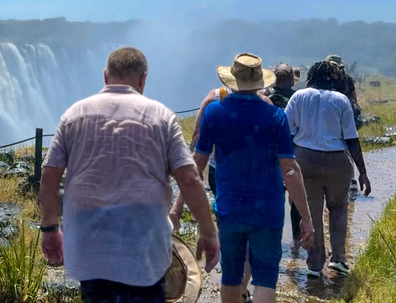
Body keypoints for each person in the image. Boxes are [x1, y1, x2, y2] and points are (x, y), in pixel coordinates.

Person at [39, 47, 220, 303]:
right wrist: (208, 232)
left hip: (90, 251)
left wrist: (49, 228)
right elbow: (189, 178)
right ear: (143, 79)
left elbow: (49, 174)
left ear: (105, 76)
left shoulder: (73, 115)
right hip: (144, 252)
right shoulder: (161, 117)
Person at [190, 53, 314, 303]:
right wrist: (307, 219)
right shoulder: (275, 116)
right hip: (267, 211)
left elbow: (197, 163)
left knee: (231, 277)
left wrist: (178, 206)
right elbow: (290, 169)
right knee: (266, 278)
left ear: (233, 80)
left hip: (230, 209)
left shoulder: (214, 112)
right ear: (260, 82)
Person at [170, 80, 273, 303]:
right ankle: (243, 289)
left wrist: (178, 205)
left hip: (222, 175)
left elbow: (197, 138)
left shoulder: (213, 99)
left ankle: (234, 282)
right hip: (257, 180)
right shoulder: (265, 103)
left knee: (231, 227)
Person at [285, 61, 372, 278]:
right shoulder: (341, 100)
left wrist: (284, 166)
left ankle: (314, 264)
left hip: (305, 160)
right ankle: (339, 260)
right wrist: (362, 172)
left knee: (312, 212)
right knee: (339, 209)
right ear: (334, 79)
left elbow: (285, 131)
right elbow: (351, 139)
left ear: (312, 76)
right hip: (337, 163)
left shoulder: (299, 97)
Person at [263, 64, 304, 249]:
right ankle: (296, 238)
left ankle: (275, 236)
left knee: (276, 196)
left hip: (272, 154)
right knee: (296, 197)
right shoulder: (298, 98)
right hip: (294, 151)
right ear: (290, 80)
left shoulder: (267, 97)